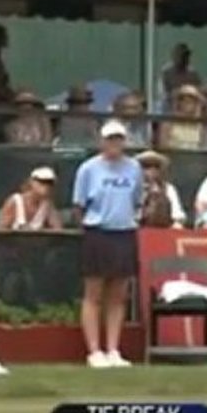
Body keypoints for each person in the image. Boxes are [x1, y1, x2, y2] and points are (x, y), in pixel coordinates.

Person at [72, 119, 142, 369]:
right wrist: (91, 228)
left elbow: (136, 201)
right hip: (98, 233)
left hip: (124, 232)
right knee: (94, 294)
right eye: (110, 139)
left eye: (119, 139)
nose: (114, 143)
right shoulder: (88, 169)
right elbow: (79, 206)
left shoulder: (134, 168)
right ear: (102, 141)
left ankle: (113, 349)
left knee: (118, 295)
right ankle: (94, 351)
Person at [0, 167, 62, 231]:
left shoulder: (47, 205)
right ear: (31, 182)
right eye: (42, 182)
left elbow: (58, 231)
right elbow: (0, 231)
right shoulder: (15, 201)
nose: (46, 186)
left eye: (49, 183)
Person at [136, 150, 186, 229]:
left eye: (156, 166)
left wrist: (177, 224)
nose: (152, 170)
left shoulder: (169, 188)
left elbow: (177, 215)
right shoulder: (134, 188)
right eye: (146, 166)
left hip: (164, 231)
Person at [159, 84, 207, 150]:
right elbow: (163, 146)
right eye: (183, 100)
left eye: (191, 100)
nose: (187, 103)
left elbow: (202, 147)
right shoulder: (169, 123)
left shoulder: (199, 125)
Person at [159, 42, 202, 109]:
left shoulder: (192, 73)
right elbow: (163, 94)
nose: (184, 59)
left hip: (189, 105)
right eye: (182, 56)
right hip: (169, 105)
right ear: (175, 56)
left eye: (186, 56)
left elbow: (198, 91)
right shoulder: (166, 72)